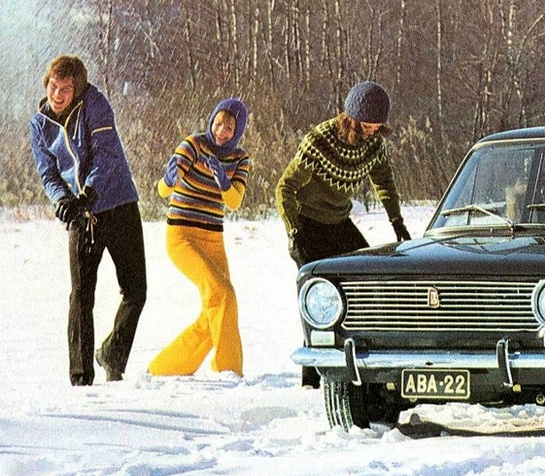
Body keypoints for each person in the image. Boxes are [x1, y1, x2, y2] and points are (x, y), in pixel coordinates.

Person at [276, 80, 411, 388]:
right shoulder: (320, 141)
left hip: (338, 221)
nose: (373, 131)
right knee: (319, 295)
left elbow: (384, 182)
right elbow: (284, 188)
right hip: (307, 223)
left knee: (367, 279)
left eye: (377, 126)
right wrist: (293, 232)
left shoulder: (374, 145)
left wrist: (397, 221)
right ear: (352, 118)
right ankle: (311, 378)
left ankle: (366, 365)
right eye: (367, 125)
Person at [29, 55, 147, 386]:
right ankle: (81, 378)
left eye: (65, 89)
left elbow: (106, 155)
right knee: (81, 295)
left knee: (135, 290)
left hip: (119, 203)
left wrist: (88, 193)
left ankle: (112, 353)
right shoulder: (39, 124)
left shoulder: (95, 104)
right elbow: (48, 172)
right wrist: (63, 200)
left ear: (77, 90)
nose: (58, 94)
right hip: (83, 215)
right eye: (54, 86)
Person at [148, 98, 251, 378]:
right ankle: (229, 371)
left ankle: (163, 368)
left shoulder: (240, 159)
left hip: (213, 238)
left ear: (238, 131)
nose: (221, 131)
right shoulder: (194, 144)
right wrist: (168, 181)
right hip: (182, 237)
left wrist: (224, 182)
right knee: (223, 295)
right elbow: (163, 191)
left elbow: (234, 202)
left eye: (229, 128)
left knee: (216, 310)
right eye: (218, 124)